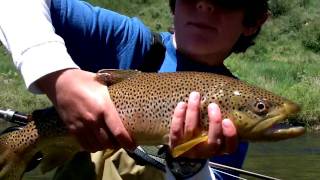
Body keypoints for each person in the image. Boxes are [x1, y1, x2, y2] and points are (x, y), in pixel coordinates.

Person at [0, 0, 269, 179]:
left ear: (253, 21)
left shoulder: (234, 114)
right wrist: (59, 77)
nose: (205, 3)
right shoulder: (128, 42)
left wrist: (190, 166)